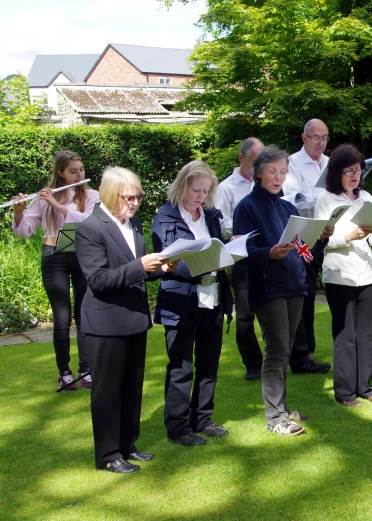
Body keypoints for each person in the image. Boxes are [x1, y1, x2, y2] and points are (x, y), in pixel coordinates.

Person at [75, 166, 171, 473]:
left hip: (134, 318)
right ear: (110, 194)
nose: (135, 203)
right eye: (130, 198)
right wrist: (142, 266)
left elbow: (134, 270)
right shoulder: (91, 228)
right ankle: (107, 454)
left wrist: (159, 268)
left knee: (132, 386)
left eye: (138, 197)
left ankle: (128, 444)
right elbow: (99, 279)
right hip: (105, 321)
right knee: (107, 391)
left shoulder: (134, 223)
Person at [233, 145, 333, 435]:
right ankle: (276, 419)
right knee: (276, 350)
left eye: (283, 172)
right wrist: (269, 254)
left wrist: (321, 237)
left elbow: (303, 250)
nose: (278, 177)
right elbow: (243, 251)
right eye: (272, 171)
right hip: (268, 287)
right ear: (259, 173)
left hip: (295, 286)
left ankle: (284, 408)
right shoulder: (247, 207)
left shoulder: (288, 206)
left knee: (285, 350)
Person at [152, 161, 233, 447]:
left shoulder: (210, 216)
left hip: (212, 299)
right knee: (181, 366)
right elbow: (167, 261)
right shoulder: (165, 217)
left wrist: (227, 255)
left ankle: (203, 418)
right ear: (182, 186)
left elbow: (218, 248)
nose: (200, 196)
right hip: (181, 301)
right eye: (196, 190)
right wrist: (207, 265)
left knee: (209, 364)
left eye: (205, 191)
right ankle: (178, 427)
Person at [11, 150, 100, 390]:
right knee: (61, 319)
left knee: (85, 315)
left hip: (83, 256)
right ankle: (64, 371)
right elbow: (24, 231)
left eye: (81, 169)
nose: (79, 174)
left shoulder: (92, 195)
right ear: (60, 172)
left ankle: (86, 369)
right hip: (53, 257)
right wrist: (19, 211)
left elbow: (89, 222)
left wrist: (56, 205)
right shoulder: (43, 198)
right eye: (73, 171)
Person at [315, 144, 372, 406]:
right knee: (346, 334)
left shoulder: (366, 197)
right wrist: (347, 236)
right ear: (337, 173)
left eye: (358, 170)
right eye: (349, 171)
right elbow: (321, 237)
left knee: (367, 333)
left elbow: (371, 240)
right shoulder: (326, 199)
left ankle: (365, 386)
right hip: (339, 274)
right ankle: (345, 391)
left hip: (367, 272)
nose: (355, 175)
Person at [283, 119, 332, 374]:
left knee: (338, 289)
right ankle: (303, 353)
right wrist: (324, 198)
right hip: (305, 240)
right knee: (307, 295)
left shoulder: (329, 162)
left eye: (324, 137)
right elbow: (294, 201)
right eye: (316, 137)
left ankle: (352, 339)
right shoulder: (292, 164)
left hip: (329, 234)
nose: (321, 143)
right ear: (304, 138)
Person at [214, 137, 265, 381]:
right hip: (241, 256)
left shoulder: (267, 184)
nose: (259, 168)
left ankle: (277, 357)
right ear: (241, 158)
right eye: (256, 161)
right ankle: (253, 363)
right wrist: (243, 226)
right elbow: (220, 223)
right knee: (245, 313)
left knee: (271, 306)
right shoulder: (226, 188)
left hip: (265, 253)